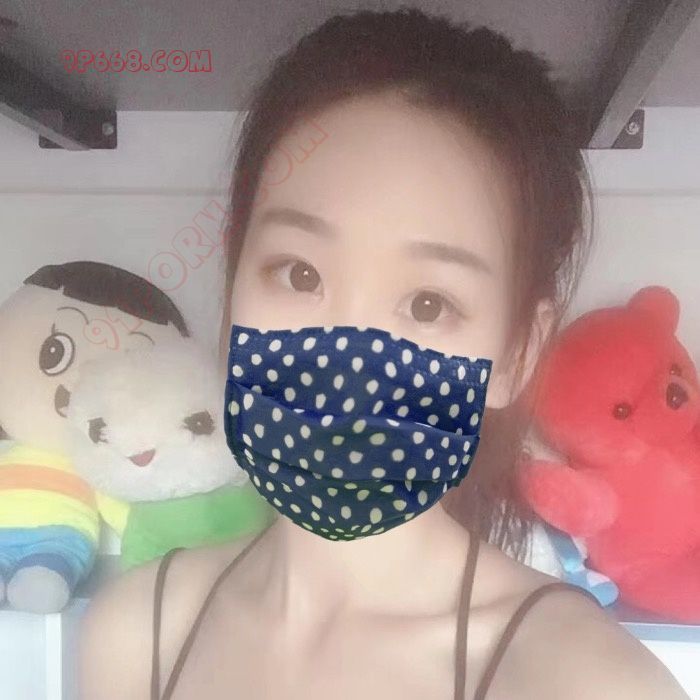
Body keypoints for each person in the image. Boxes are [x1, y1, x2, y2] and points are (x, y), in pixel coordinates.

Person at [79, 8, 690, 699]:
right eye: (299, 274)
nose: (342, 367)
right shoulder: (137, 632)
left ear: (515, 355)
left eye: (428, 304)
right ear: (234, 274)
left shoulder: (589, 684)